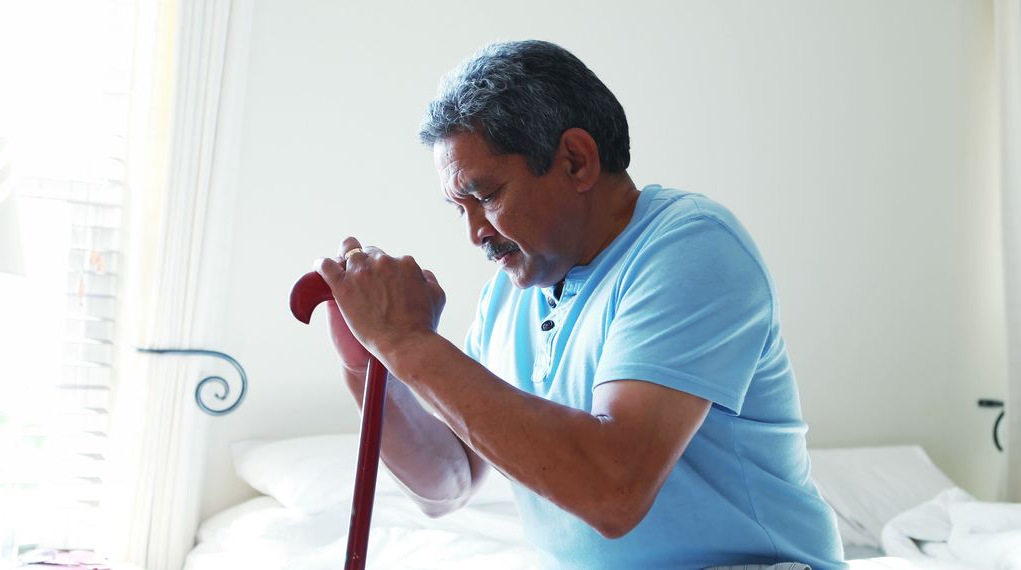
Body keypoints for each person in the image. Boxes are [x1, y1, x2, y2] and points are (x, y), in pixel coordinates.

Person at [314, 40, 845, 569]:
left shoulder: (691, 247)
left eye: (488, 196)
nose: (475, 234)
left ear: (576, 161)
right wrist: (368, 363)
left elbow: (612, 488)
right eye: (461, 210)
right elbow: (447, 484)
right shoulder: (508, 294)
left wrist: (408, 341)